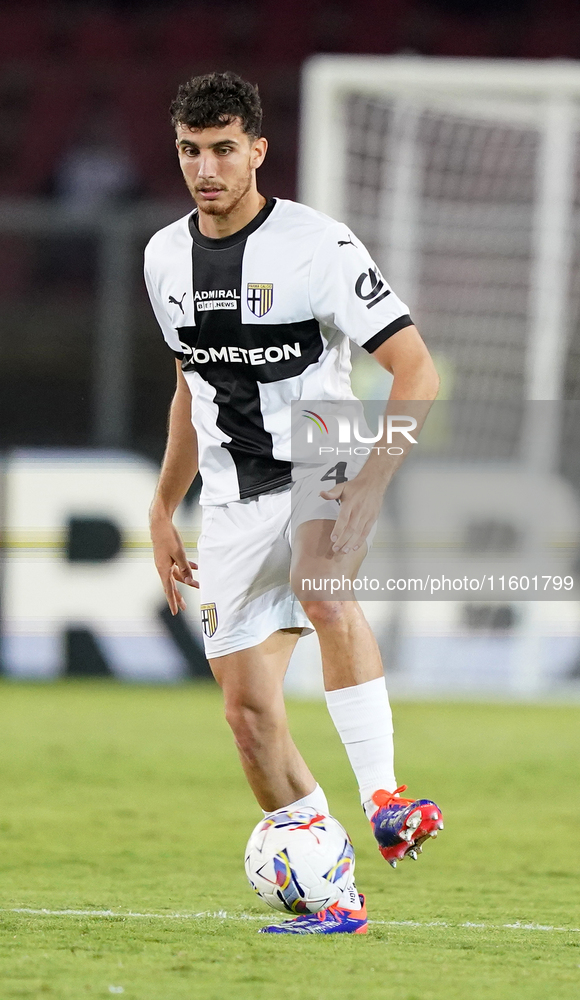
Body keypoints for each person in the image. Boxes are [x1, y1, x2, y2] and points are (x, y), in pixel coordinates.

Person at [145, 71, 443, 936]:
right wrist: (165, 507)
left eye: (224, 149)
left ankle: (387, 797)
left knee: (322, 584)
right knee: (247, 716)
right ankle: (327, 881)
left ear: (258, 151)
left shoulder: (319, 245)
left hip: (323, 441)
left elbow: (413, 369)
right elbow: (187, 385)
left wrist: (372, 486)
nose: (206, 168)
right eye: (190, 151)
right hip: (233, 499)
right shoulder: (164, 257)